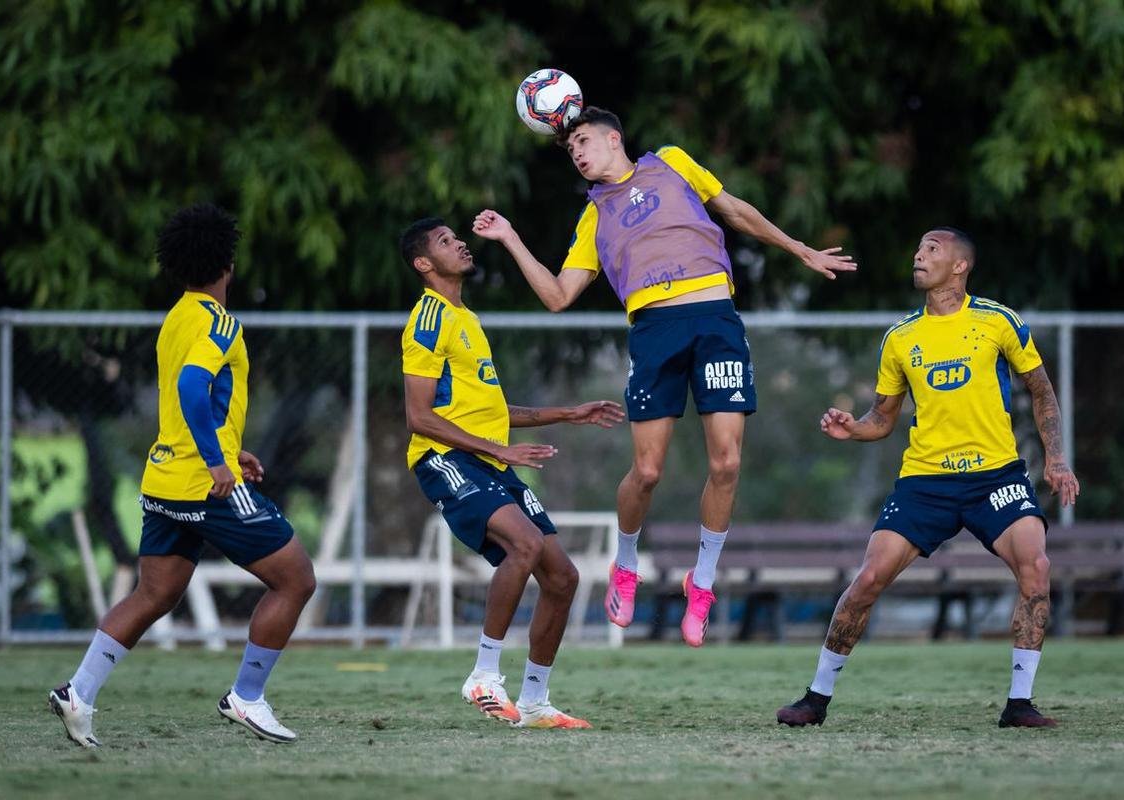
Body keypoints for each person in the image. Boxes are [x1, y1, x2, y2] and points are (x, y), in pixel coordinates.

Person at [472, 106, 856, 646]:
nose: (577, 152)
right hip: (655, 331)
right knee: (648, 471)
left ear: (614, 138)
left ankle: (701, 583)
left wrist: (799, 249)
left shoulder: (672, 162)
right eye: (570, 148)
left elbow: (735, 210)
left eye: (583, 140)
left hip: (716, 320)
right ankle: (626, 564)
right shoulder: (594, 215)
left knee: (727, 462)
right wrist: (511, 237)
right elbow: (558, 296)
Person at [776, 228, 1080, 729]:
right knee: (869, 579)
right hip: (925, 482)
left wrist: (1057, 458)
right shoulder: (900, 338)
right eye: (917, 249)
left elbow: (1042, 392)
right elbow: (882, 418)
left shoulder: (998, 321)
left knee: (1037, 566)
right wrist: (853, 429)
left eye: (931, 250)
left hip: (996, 477)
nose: (918, 256)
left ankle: (1019, 704)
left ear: (960, 266)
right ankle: (815, 698)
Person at [48, 204, 317, 747]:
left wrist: (229, 449)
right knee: (296, 579)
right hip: (203, 484)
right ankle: (247, 697)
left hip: (165, 479)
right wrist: (219, 463)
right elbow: (194, 389)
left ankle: (78, 692)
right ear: (228, 264)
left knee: (156, 593)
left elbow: (191, 401)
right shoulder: (219, 322)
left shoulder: (177, 316)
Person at [400, 217, 624, 729]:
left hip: (486, 460)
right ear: (423, 264)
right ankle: (483, 674)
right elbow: (419, 417)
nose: (459, 242)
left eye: (457, 236)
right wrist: (501, 449)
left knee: (563, 577)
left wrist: (568, 413)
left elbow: (493, 410)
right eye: (444, 241)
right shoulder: (428, 320)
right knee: (524, 545)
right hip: (444, 459)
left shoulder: (467, 320)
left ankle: (535, 701)